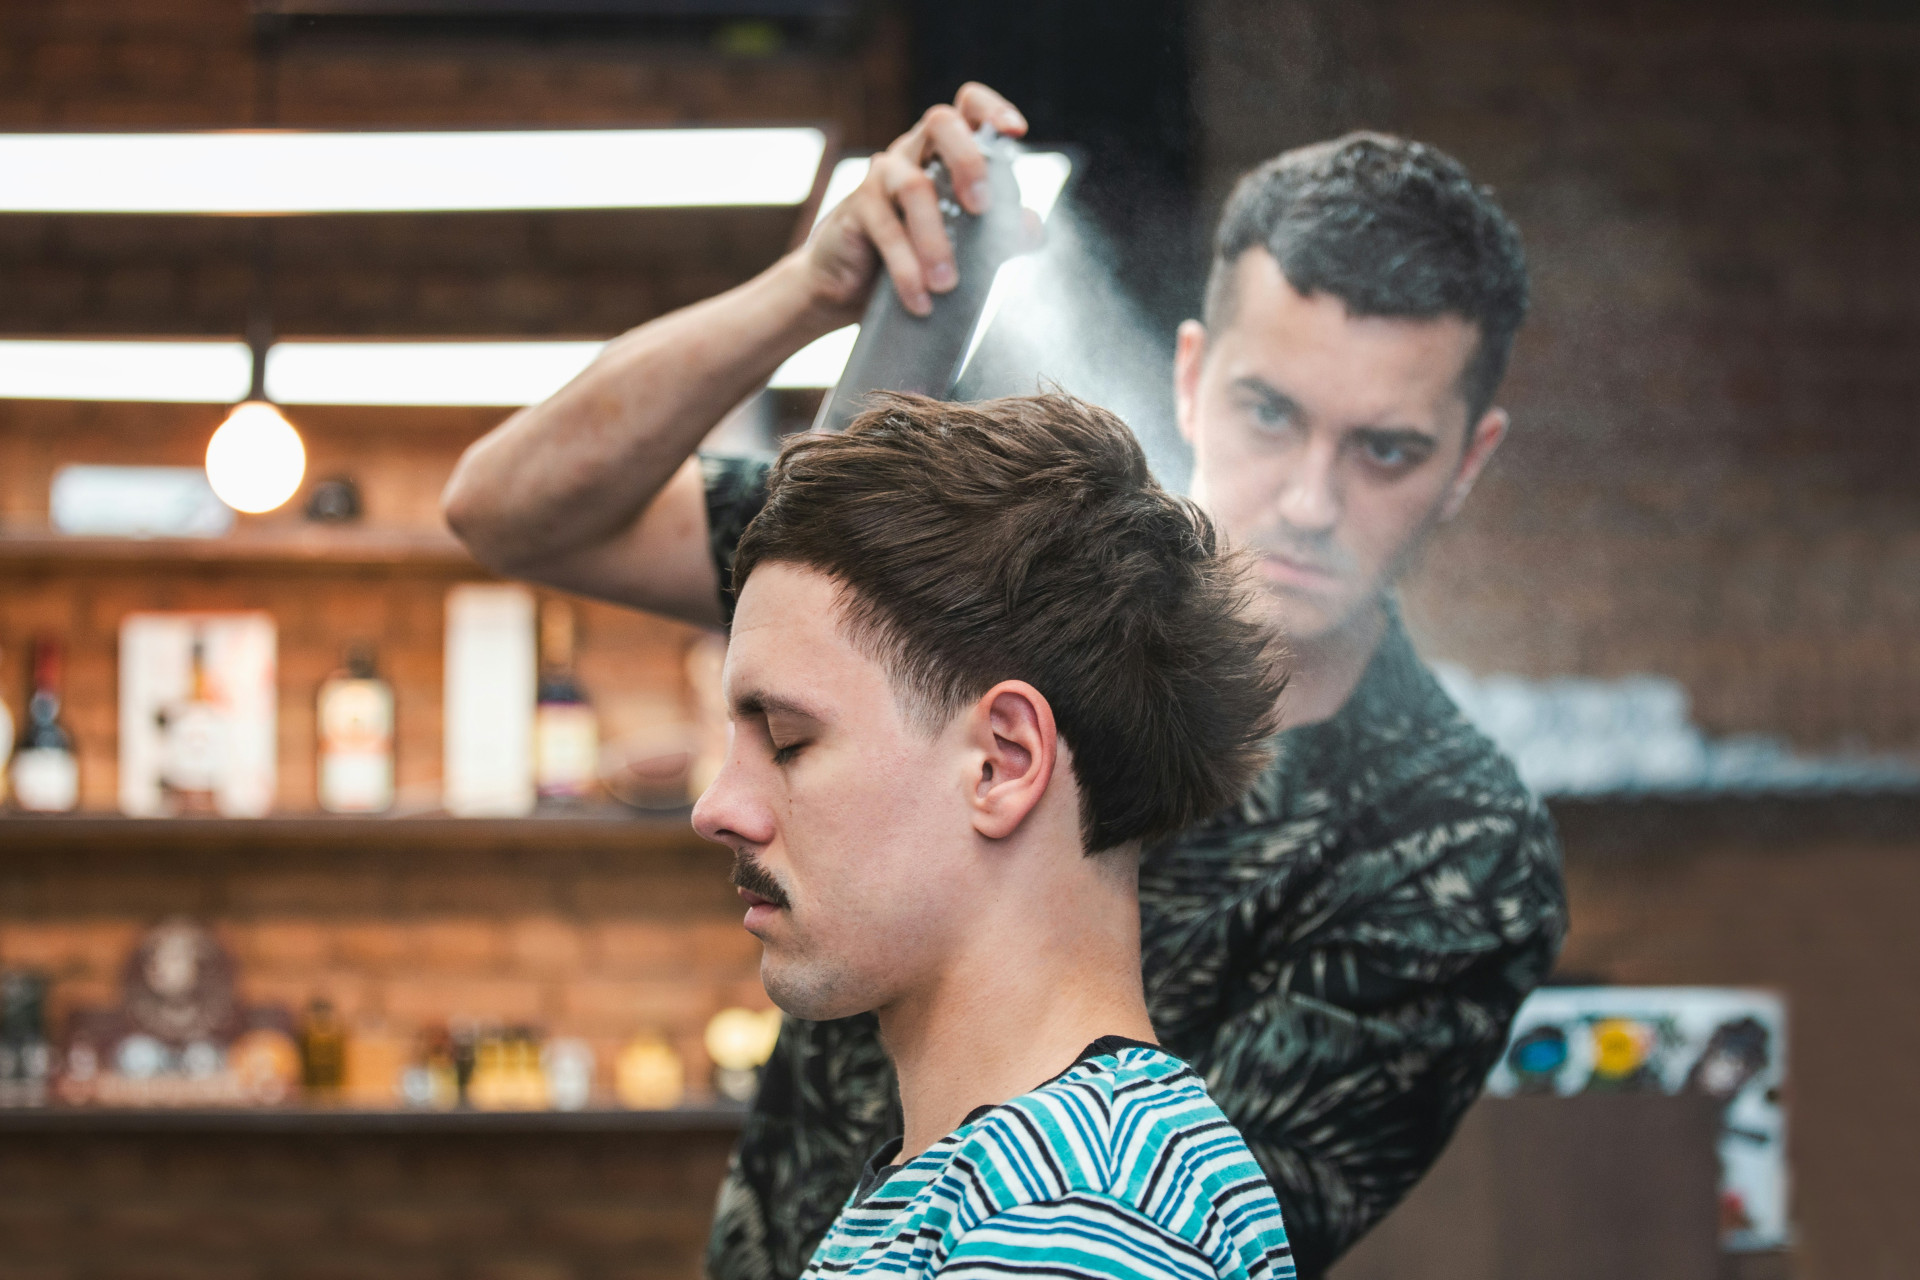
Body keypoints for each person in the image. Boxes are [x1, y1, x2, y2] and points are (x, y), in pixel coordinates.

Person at [443, 84, 1566, 1279]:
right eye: (1270, 412)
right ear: (1192, 376)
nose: (1308, 499)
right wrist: (811, 294)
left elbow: (1133, 1227)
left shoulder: (1455, 851)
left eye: (1386, 448)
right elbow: (510, 510)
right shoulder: (999, 571)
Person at [694, 390, 1294, 1279]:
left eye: (788, 740)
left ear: (1002, 764)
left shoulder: (1079, 1215)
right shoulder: (1003, 1190)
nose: (717, 808)